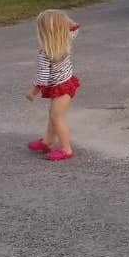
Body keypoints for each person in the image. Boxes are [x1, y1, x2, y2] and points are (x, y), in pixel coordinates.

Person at [27, 9, 81, 161]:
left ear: (44, 31)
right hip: (66, 86)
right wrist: (67, 20)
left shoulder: (45, 53)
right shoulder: (67, 39)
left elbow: (42, 79)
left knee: (57, 118)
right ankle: (48, 142)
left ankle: (66, 149)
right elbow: (76, 26)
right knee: (53, 116)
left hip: (61, 88)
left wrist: (32, 92)